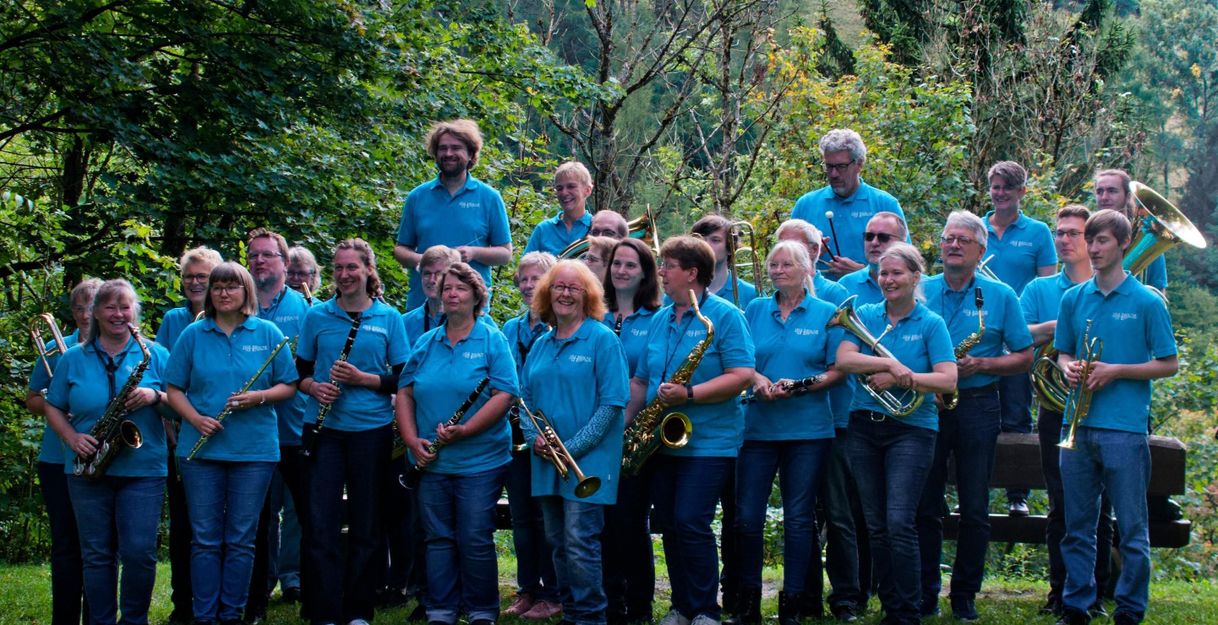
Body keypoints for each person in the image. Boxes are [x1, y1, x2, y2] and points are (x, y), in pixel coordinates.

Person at [1053, 209, 1178, 625]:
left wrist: (1116, 370)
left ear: (1124, 245)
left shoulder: (1147, 301)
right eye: (1091, 240)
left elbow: (1169, 363)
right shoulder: (1073, 298)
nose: (1094, 248)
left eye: (1103, 240)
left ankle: (1129, 609)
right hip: (1078, 425)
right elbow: (1063, 350)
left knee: (1131, 528)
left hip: (1124, 428)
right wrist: (1068, 366)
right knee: (1078, 526)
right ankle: (1077, 604)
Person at [627, 235, 755, 625]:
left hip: (710, 441)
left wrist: (690, 394)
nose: (661, 273)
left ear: (692, 273)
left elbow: (743, 375)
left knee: (690, 520)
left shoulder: (726, 316)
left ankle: (704, 609)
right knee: (667, 522)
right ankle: (682, 606)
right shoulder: (660, 318)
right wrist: (627, 425)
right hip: (661, 440)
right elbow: (641, 380)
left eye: (668, 266)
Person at [166, 262, 299, 625]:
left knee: (241, 539)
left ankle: (231, 614)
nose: (224, 292)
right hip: (201, 451)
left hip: (254, 451)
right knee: (205, 539)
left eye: (232, 286)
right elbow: (173, 388)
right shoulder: (193, 335)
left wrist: (257, 397)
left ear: (246, 292)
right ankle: (205, 615)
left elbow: (289, 385)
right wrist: (195, 419)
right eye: (217, 286)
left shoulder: (269, 333)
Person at [916, 211, 1034, 621]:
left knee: (975, 504)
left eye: (963, 240)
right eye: (948, 238)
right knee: (925, 504)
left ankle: (964, 593)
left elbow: (1024, 357)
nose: (953, 245)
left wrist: (983, 365)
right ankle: (926, 592)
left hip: (979, 403)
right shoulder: (921, 289)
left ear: (981, 249)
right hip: (927, 405)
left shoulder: (1001, 296)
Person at [834, 243, 957, 625]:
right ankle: (890, 606)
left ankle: (908, 610)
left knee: (900, 521)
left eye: (896, 273)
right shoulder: (867, 315)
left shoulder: (931, 323)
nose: (888, 280)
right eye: (883, 274)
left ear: (915, 278)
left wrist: (906, 378)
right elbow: (844, 359)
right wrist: (888, 361)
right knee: (875, 525)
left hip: (912, 430)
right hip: (864, 428)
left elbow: (948, 379)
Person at [395, 262, 518, 625]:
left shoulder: (491, 339)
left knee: (474, 536)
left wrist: (465, 430)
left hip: (480, 459)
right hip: (430, 459)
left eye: (460, 288)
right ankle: (441, 608)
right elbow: (404, 392)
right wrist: (410, 439)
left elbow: (505, 394)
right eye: (446, 287)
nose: (451, 293)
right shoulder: (425, 342)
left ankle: (481, 610)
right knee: (437, 537)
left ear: (477, 295)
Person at [44, 279, 172, 625]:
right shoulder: (73, 358)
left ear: (135, 312)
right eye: (110, 307)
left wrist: (155, 397)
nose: (118, 314)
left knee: (139, 554)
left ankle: (134, 620)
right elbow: (52, 406)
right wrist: (71, 438)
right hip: (86, 468)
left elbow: (181, 405)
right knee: (96, 555)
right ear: (95, 312)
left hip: (143, 469)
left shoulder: (156, 355)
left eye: (125, 307)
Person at [297, 238, 410, 625]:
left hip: (371, 430)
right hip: (324, 428)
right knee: (321, 522)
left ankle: (359, 609)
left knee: (367, 522)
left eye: (352, 268)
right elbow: (300, 372)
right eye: (339, 268)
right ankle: (324, 610)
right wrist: (314, 387)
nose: (345, 275)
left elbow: (401, 379)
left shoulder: (389, 318)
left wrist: (364, 379)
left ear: (368, 271)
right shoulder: (317, 316)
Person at [734, 241, 843, 625]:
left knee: (799, 519)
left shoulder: (828, 313)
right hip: (758, 429)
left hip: (808, 431)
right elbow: (742, 361)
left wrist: (799, 385)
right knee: (747, 517)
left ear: (806, 269)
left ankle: (792, 605)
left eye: (787, 264)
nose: (779, 270)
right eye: (773, 264)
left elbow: (837, 371)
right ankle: (747, 605)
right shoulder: (754, 310)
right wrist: (759, 379)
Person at [520, 260, 631, 625]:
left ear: (588, 296)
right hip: (547, 461)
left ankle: (590, 617)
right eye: (558, 287)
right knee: (558, 542)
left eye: (574, 288)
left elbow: (613, 404)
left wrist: (571, 448)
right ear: (547, 295)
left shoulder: (603, 340)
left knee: (580, 542)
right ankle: (571, 612)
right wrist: (535, 438)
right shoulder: (540, 344)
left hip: (588, 462)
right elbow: (524, 401)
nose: (565, 294)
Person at [1020, 205, 1111, 617]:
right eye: (1059, 233)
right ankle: (1061, 590)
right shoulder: (1039, 290)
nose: (1064, 240)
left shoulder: (1112, 289)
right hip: (1056, 407)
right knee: (1060, 503)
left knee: (1101, 507)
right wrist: (1063, 327)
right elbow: (1018, 337)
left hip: (1104, 406)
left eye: (1074, 233)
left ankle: (1098, 591)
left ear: (1090, 240)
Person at [775, 220, 867, 621]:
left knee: (838, 511)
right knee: (801, 514)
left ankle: (846, 596)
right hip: (788, 424)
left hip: (835, 419)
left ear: (814, 254)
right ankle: (806, 594)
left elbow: (843, 362)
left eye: (794, 252)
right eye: (779, 254)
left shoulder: (837, 297)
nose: (784, 263)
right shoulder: (771, 300)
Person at [246, 228, 314, 623]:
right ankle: (255, 599)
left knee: (308, 516)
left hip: (298, 427)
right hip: (253, 432)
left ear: (285, 264)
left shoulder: (307, 309)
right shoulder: (240, 307)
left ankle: (307, 591)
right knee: (257, 520)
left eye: (268, 256)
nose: (259, 262)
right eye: (253, 256)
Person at [982, 161, 1057, 516]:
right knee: (976, 412)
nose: (999, 194)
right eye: (995, 187)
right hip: (982, 332)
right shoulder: (976, 228)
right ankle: (973, 489)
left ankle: (1017, 494)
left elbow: (1047, 286)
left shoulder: (1039, 232)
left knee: (1016, 413)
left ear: (1021, 192)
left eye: (1007, 188)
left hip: (1019, 334)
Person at [25, 278, 101, 625]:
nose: (87, 314)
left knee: (99, 547)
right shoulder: (57, 350)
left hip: (103, 458)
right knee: (66, 544)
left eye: (94, 306)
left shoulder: (119, 347)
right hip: (58, 458)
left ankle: (97, 616)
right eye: (80, 307)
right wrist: (56, 406)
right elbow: (32, 399)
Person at [158, 246, 224, 623]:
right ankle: (185, 603)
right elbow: (166, 382)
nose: (196, 283)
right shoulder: (173, 319)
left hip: (227, 434)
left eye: (204, 276)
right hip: (183, 435)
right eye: (190, 277)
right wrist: (171, 428)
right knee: (186, 525)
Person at [599, 238, 662, 625]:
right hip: (594, 434)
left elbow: (649, 378)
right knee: (601, 522)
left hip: (634, 434)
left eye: (630, 265)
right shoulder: (595, 315)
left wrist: (618, 426)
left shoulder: (657, 318)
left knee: (630, 522)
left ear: (645, 273)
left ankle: (639, 605)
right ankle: (610, 602)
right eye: (617, 264)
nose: (621, 271)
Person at [394, 119, 513, 311]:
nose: (448, 154)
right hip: (422, 307)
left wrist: (473, 253)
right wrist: (426, 261)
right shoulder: (418, 196)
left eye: (456, 148)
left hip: (471, 310)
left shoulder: (489, 198)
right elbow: (400, 250)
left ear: (471, 154)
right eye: (443, 148)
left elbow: (505, 254)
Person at [500, 252, 562, 620]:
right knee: (522, 519)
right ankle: (527, 589)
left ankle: (554, 593)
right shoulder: (509, 329)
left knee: (547, 518)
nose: (527, 285)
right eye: (522, 279)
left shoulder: (561, 328)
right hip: (514, 434)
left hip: (548, 436)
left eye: (535, 278)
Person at [791, 129, 907, 278]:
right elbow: (785, 259)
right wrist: (807, 251)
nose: (833, 174)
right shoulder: (806, 205)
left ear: (859, 164)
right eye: (829, 166)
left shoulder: (884, 204)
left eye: (841, 167)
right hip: (817, 297)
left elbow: (905, 263)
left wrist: (862, 273)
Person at [1093, 169, 1168, 293]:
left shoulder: (1147, 239)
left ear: (1127, 196)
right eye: (1099, 191)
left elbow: (1158, 292)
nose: (1104, 197)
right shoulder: (1084, 235)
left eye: (1112, 191)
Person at [837, 212, 909, 306]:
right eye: (869, 237)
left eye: (883, 237)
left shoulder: (924, 286)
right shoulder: (845, 285)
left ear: (902, 243)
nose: (874, 243)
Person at [525, 162, 594, 254]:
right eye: (559, 188)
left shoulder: (597, 228)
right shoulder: (544, 230)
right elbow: (525, 266)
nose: (564, 193)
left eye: (571, 186)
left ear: (587, 190)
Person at [690, 215, 758, 309]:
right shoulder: (676, 295)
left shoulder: (752, 295)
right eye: (700, 239)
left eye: (715, 240)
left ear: (730, 249)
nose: (705, 245)